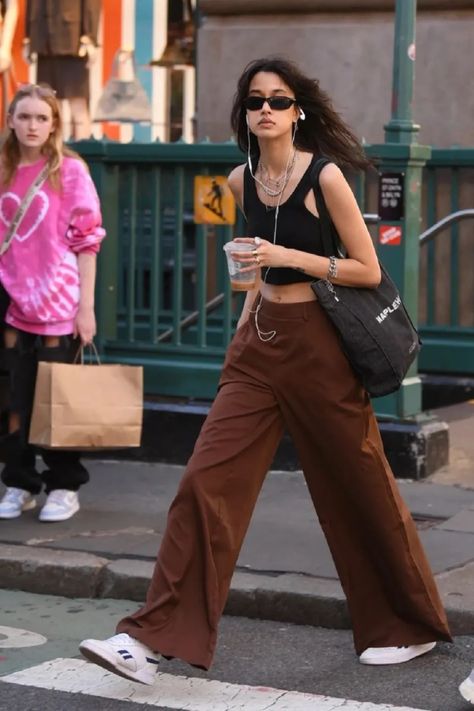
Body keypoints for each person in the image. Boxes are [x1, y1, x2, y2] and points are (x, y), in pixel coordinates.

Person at [79, 56, 451, 686]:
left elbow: (365, 269)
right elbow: (253, 270)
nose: (267, 111)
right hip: (259, 345)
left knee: (358, 485)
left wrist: (292, 257)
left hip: (321, 350)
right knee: (206, 482)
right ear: (245, 114)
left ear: (297, 110)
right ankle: (148, 639)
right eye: (256, 102)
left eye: (279, 101)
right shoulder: (239, 179)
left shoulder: (325, 177)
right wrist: (248, 298)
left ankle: (407, 627)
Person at [0, 82, 105, 522]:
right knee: (10, 401)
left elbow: (87, 241)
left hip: (60, 305)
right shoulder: (3, 168)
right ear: (10, 121)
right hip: (8, 303)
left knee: (58, 400)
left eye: (42, 118)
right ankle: (18, 481)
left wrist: (86, 308)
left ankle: (63, 485)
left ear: (54, 124)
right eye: (24, 116)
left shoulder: (71, 172)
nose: (32, 125)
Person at [23, 0, 100, 140]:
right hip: (43, 40)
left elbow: (92, 4)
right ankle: (53, 152)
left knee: (78, 103)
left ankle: (83, 154)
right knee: (49, 104)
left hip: (73, 41)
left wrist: (90, 37)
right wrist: (28, 37)